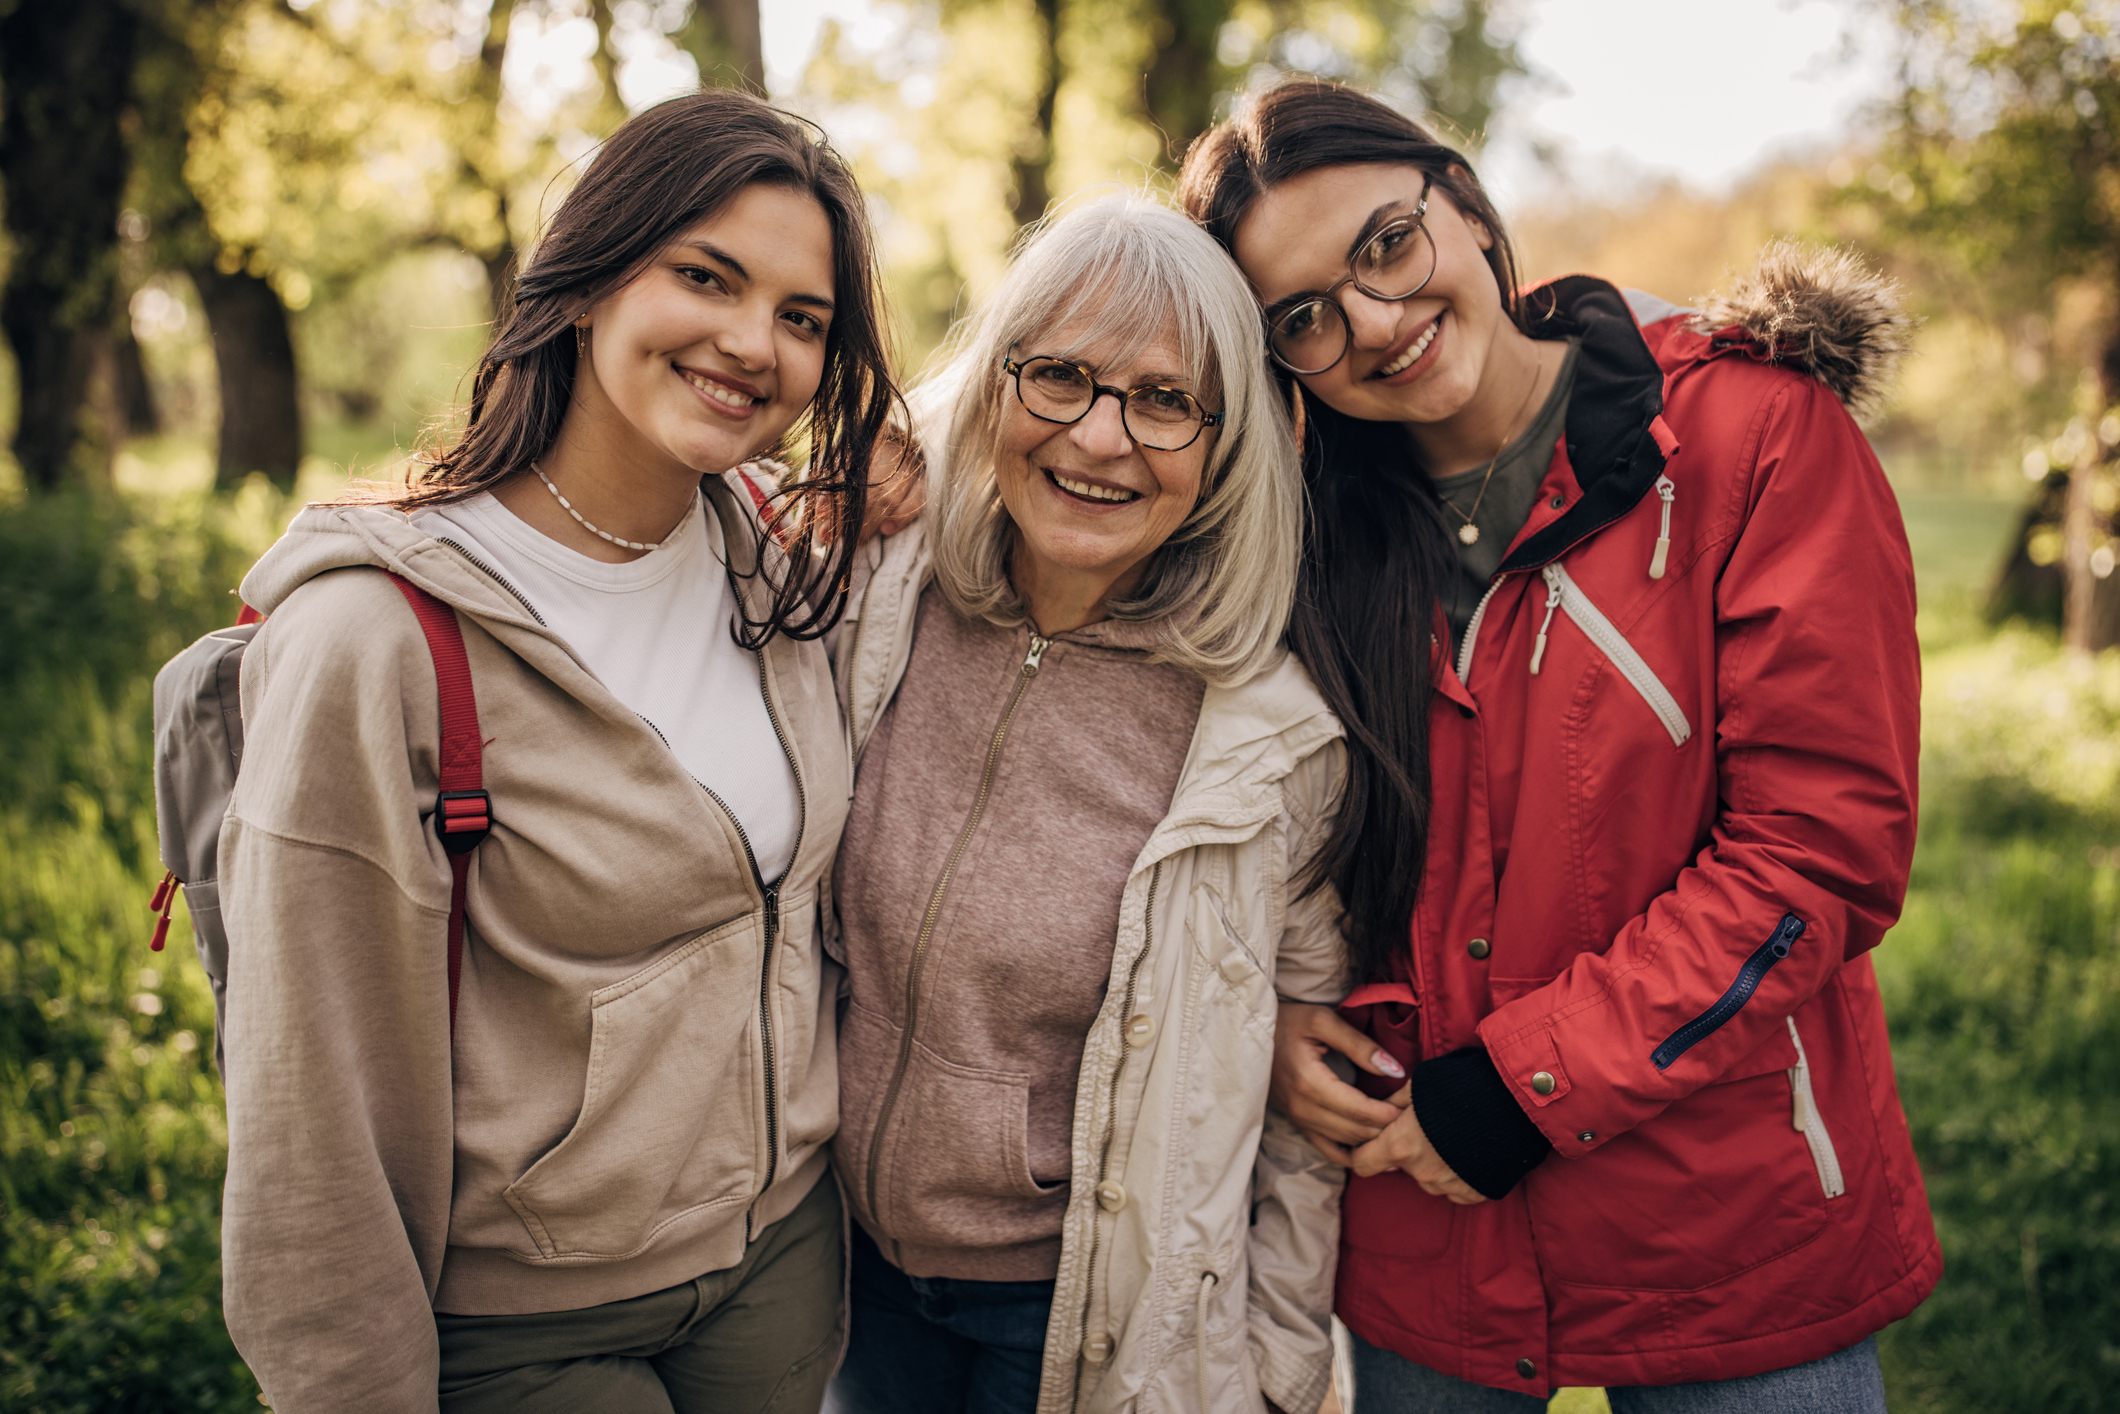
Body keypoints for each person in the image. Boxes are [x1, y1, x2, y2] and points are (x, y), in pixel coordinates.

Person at [1177, 80, 1940, 1411]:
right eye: (1303, 316)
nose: (1372, 321)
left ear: (1464, 207)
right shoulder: (1301, 533)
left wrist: (1522, 1091)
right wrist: (1286, 1016)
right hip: (1423, 1225)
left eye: (1385, 245)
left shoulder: (1753, 437)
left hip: (1732, 1222)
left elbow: (1818, 851)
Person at [216, 90, 897, 1413]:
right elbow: (310, 1105)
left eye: (802, 317)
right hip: (528, 1325)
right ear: (586, 281)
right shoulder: (378, 636)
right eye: (706, 277)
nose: (751, 342)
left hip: (782, 1268)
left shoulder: (778, 558)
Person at [824, 194, 1345, 1414]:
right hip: (843, 1273)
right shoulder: (879, 591)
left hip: (1074, 1313)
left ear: (1225, 444)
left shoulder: (1263, 732)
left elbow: (1303, 1101)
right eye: (1059, 374)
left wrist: (1275, 1361)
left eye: (1163, 400)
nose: (1100, 439)